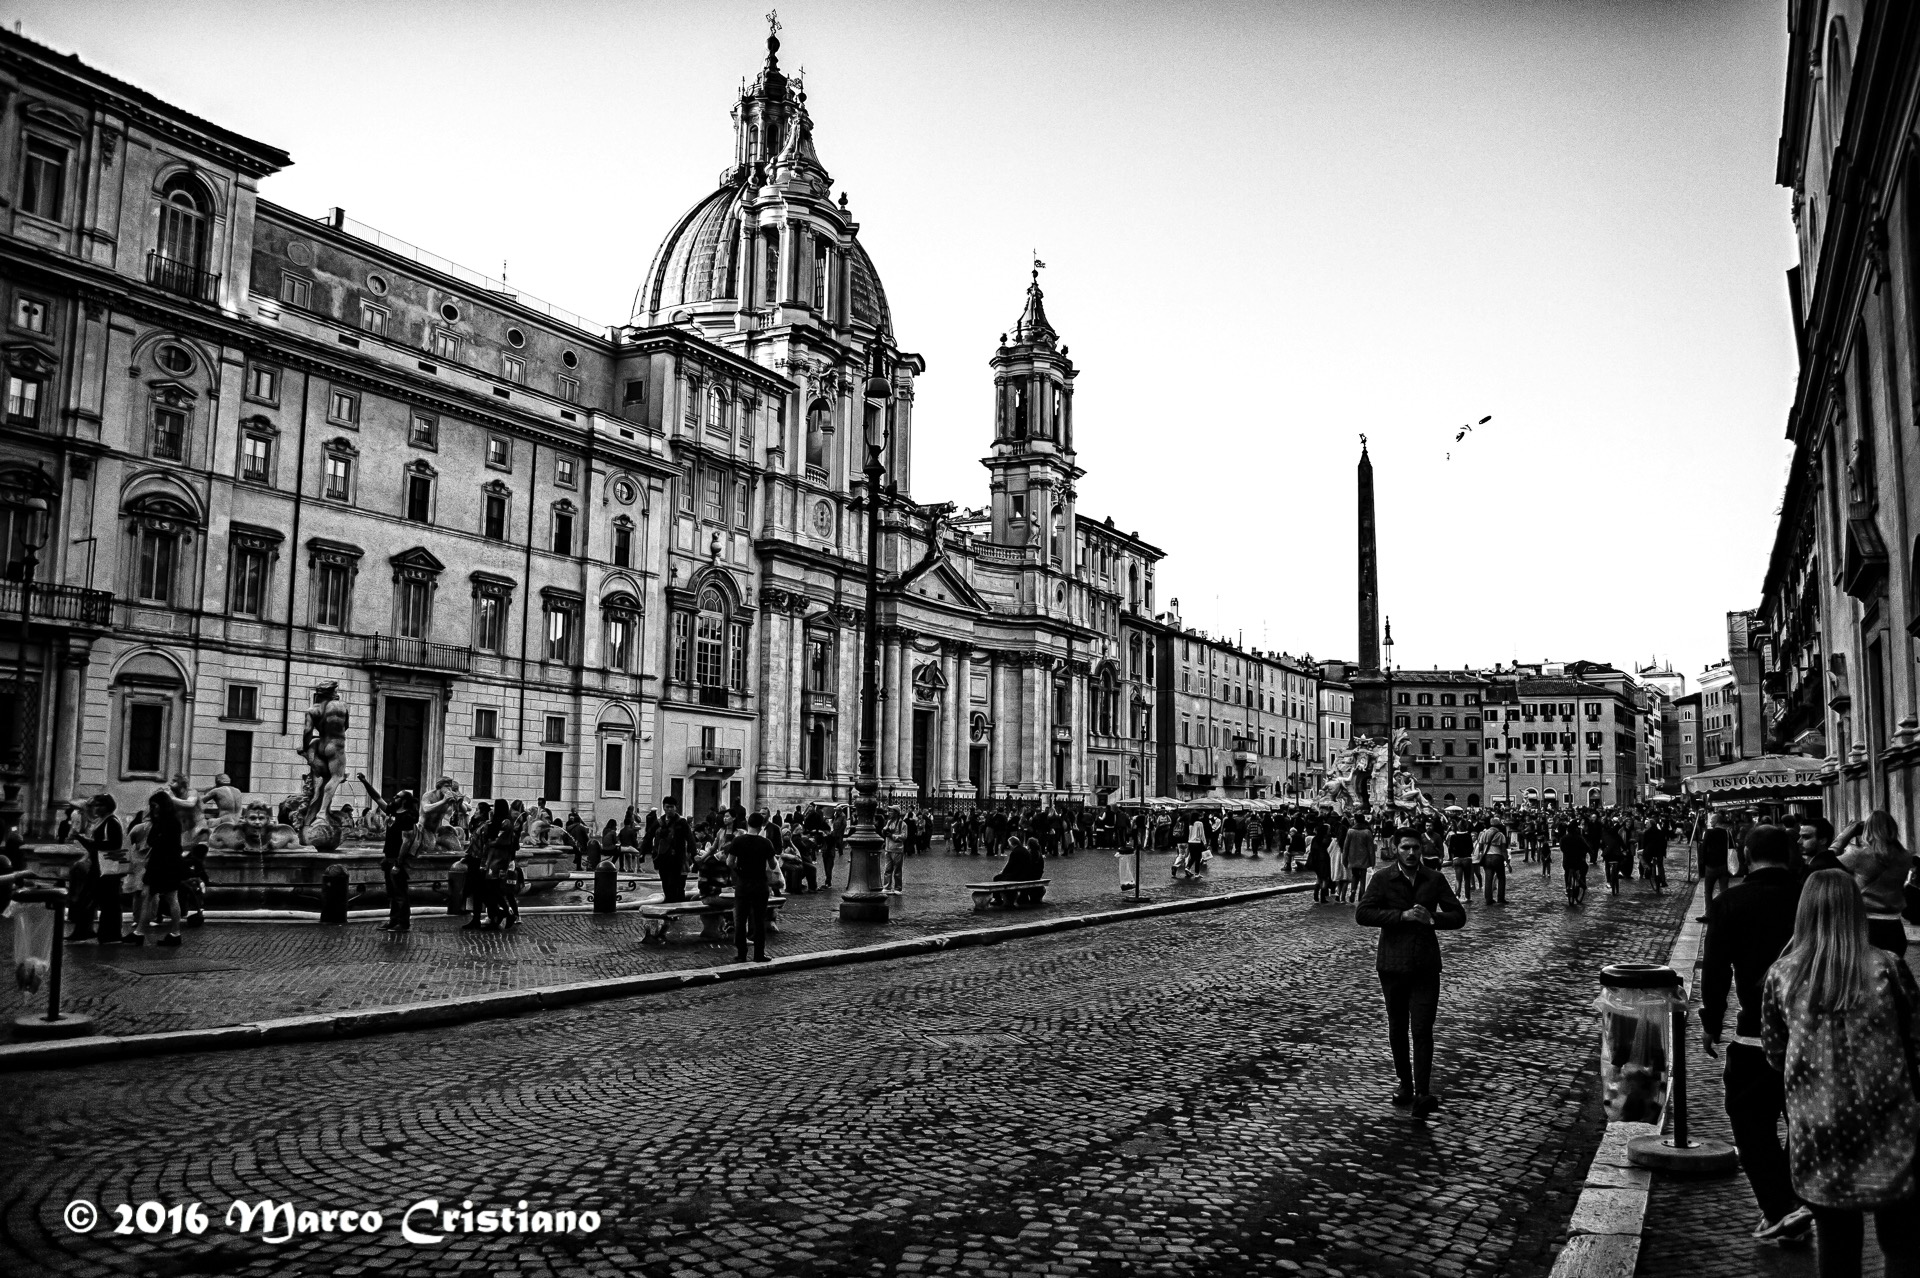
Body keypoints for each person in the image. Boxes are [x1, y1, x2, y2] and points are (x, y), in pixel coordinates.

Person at [1762, 869, 1920, 1274]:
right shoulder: (1888, 967)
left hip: (1818, 1129)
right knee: (1902, 1242)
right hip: (1890, 1123)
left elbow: (1775, 1052)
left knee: (1837, 1247)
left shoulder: (1781, 976)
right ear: (1856, 910)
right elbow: (1915, 1036)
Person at [1701, 824, 1813, 1244]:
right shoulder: (1809, 898)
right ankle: (1796, 1200)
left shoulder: (1730, 902)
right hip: (1813, 1034)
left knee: (1751, 1125)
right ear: (1788, 854)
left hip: (1756, 1034)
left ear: (1746, 855)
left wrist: (1712, 1021)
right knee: (1805, 1122)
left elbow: (1715, 970)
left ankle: (1780, 1206)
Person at [1355, 828, 1466, 1118]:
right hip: (1392, 964)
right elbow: (1363, 914)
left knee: (1422, 1029)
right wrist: (1401, 916)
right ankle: (1405, 1082)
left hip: (1426, 964)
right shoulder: (1382, 879)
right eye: (1405, 847)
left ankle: (1423, 1093)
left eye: (1416, 847)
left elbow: (1458, 916)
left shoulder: (1435, 878)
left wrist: (1433, 919)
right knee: (1397, 1028)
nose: (1411, 853)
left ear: (1421, 849)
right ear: (1395, 849)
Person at [1834, 812, 1913, 957]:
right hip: (1894, 925)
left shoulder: (1859, 855)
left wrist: (1845, 835)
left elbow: (1826, 860)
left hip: (1866, 924)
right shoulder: (1906, 856)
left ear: (1867, 830)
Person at [360, 778, 419, 933]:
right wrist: (365, 782)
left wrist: (398, 864)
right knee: (392, 893)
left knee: (400, 893)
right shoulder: (392, 811)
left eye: (398, 796)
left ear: (405, 801)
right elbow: (377, 797)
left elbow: (406, 841)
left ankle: (403, 923)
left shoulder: (407, 817)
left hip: (397, 859)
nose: (394, 798)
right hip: (389, 857)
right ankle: (393, 920)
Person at [135, 788, 187, 946]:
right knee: (150, 895)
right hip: (164, 863)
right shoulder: (167, 821)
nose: (152, 809)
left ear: (161, 806)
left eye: (154, 806)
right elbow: (153, 840)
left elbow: (157, 842)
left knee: (167, 897)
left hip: (164, 864)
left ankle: (173, 932)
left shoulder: (169, 822)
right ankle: (141, 931)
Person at [726, 813, 777, 963]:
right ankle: (759, 954)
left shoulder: (738, 840)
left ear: (748, 823)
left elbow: (729, 862)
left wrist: (739, 870)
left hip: (743, 883)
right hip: (760, 884)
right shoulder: (766, 843)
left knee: (740, 919)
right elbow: (773, 865)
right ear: (762, 826)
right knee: (759, 919)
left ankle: (741, 954)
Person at [656, 801, 693, 902]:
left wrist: (691, 853)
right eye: (667, 807)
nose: (669, 809)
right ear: (663, 807)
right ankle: (672, 902)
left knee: (676, 884)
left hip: (678, 858)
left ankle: (674, 904)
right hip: (665, 857)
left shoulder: (681, 823)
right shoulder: (660, 822)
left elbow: (690, 839)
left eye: (671, 807)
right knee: (667, 882)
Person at [1698, 812, 1732, 921]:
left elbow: (1703, 849)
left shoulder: (1709, 832)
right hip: (1724, 865)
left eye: (1712, 820)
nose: (1710, 821)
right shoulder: (1727, 833)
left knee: (1708, 891)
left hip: (1711, 866)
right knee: (1724, 890)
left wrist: (1703, 864)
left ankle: (1708, 913)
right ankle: (1725, 913)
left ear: (1716, 821)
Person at [1340, 816, 1376, 903]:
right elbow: (1371, 849)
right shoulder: (1367, 832)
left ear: (1355, 821)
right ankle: (1362, 896)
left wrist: (1344, 859)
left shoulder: (1350, 831)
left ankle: (1353, 891)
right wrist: (1372, 861)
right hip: (1364, 858)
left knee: (1354, 876)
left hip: (1352, 858)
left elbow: (1346, 847)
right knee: (1363, 878)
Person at [1476, 820, 1510, 905]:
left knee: (1488, 879)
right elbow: (1503, 850)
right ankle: (1500, 898)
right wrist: (1507, 862)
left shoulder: (1484, 833)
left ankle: (1488, 899)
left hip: (1487, 857)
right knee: (1501, 878)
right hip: (1498, 857)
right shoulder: (1500, 835)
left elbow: (1480, 847)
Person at [1561, 819, 1591, 908]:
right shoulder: (1579, 838)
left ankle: (1567, 887)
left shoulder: (1564, 838)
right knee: (1584, 868)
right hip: (1578, 861)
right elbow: (1586, 847)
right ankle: (1580, 881)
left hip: (1567, 861)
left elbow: (1562, 848)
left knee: (1567, 872)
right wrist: (1590, 852)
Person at [1446, 821, 1476, 904]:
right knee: (1467, 879)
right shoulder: (1468, 836)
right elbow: (1471, 848)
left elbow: (1450, 849)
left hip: (1457, 859)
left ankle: (1457, 896)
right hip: (1467, 858)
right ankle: (1467, 897)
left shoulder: (1453, 836)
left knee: (1458, 879)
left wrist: (1452, 858)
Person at [1305, 824, 1335, 903]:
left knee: (1318, 878)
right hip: (1324, 860)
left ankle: (1315, 894)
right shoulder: (1326, 839)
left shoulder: (1315, 838)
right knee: (1325, 879)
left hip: (1316, 860)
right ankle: (1323, 897)